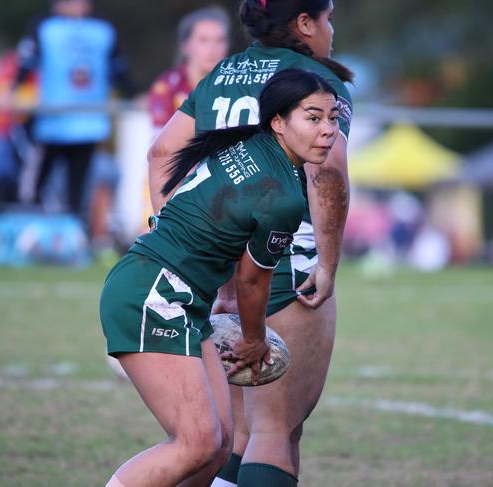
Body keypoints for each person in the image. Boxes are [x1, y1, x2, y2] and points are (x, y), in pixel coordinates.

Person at [100, 69, 340, 487]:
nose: (328, 131)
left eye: (333, 118)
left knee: (218, 446)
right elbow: (252, 281)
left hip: (173, 294)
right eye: (313, 117)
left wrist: (225, 301)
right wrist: (254, 340)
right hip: (154, 293)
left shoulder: (250, 146)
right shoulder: (283, 195)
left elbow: (227, 240)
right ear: (278, 122)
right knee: (195, 444)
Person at [148, 1, 354, 485]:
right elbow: (326, 171)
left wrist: (176, 231)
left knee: (237, 433)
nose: (331, 28)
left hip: (212, 258)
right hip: (280, 255)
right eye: (326, 18)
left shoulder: (223, 73)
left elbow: (161, 152)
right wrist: (326, 262)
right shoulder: (314, 80)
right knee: (274, 431)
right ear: (304, 23)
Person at [12, 0, 137, 220]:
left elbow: (118, 68)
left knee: (78, 188)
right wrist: (14, 89)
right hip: (51, 122)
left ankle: (73, 237)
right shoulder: (45, 26)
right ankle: (26, 229)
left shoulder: (102, 29)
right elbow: (26, 61)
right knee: (37, 185)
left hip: (88, 122)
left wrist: (135, 95)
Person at [148, 7, 230, 130]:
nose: (213, 48)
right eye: (203, 40)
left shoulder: (239, 84)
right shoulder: (168, 86)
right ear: (185, 46)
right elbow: (161, 141)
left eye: (220, 40)